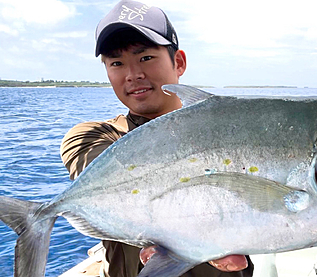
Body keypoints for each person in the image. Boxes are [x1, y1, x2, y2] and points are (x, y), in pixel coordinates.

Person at [60, 1, 253, 276]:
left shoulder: (229, 133)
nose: (133, 74)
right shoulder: (92, 136)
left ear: (179, 62)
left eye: (146, 57)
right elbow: (111, 185)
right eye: (116, 63)